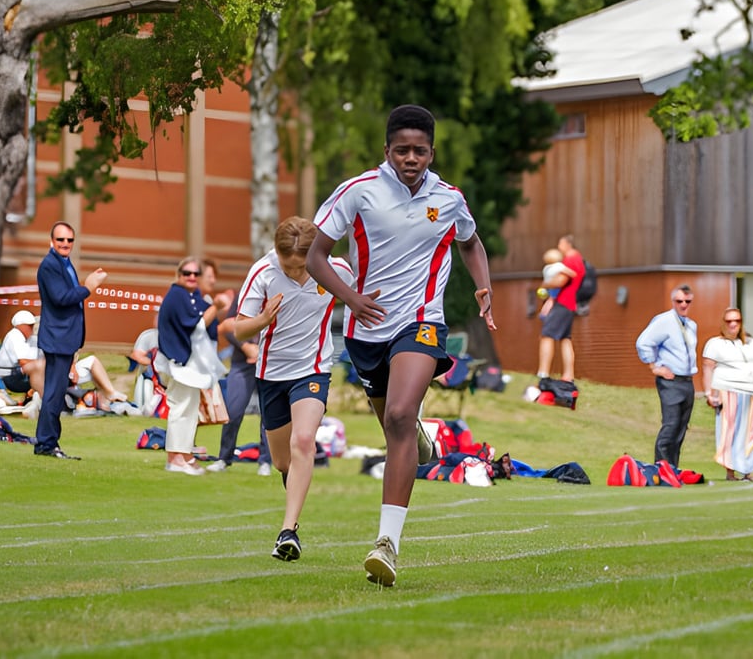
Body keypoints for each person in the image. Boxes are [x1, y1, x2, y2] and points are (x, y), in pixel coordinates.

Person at [306, 104, 496, 586]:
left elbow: (470, 242)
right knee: (396, 423)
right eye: (402, 150)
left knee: (396, 416)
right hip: (366, 328)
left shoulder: (449, 199)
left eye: (420, 151)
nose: (411, 158)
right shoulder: (357, 192)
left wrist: (483, 286)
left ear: (432, 152)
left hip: (421, 320)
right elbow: (315, 256)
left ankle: (387, 544)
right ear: (386, 151)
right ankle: (420, 436)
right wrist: (351, 299)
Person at [235, 217, 355, 560]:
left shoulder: (335, 270)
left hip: (313, 369)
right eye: (288, 266)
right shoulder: (263, 273)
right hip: (271, 374)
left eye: (302, 266)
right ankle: (294, 489)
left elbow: (362, 292)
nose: (296, 272)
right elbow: (240, 330)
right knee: (282, 462)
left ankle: (288, 531)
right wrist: (262, 320)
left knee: (303, 440)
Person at [34, 222, 107, 459]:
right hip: (57, 338)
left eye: (69, 240)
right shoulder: (49, 265)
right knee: (54, 394)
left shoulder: (64, 264)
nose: (65, 244)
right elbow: (61, 298)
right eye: (60, 240)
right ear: (51, 241)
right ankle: (46, 444)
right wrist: (88, 288)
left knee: (56, 392)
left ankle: (48, 442)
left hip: (65, 338)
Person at [154, 257, 230, 475]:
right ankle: (174, 456)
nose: (191, 277)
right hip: (177, 361)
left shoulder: (192, 296)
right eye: (187, 273)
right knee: (181, 407)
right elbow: (196, 326)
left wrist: (217, 308)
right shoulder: (177, 296)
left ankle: (184, 453)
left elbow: (206, 317)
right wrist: (216, 306)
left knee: (189, 408)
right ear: (179, 275)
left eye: (195, 274)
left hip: (187, 364)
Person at [206, 291, 273, 477]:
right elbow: (228, 328)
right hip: (242, 364)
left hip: (270, 362)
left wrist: (263, 350)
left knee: (268, 414)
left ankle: (265, 461)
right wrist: (246, 348)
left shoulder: (283, 293)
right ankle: (223, 458)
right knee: (233, 411)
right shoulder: (247, 292)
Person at [701, 308, 753, 481]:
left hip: (751, 394)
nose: (733, 324)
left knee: (751, 431)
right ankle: (730, 472)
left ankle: (748, 470)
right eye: (729, 321)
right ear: (723, 323)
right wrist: (710, 393)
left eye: (737, 321)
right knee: (729, 432)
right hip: (728, 392)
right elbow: (707, 368)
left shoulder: (751, 343)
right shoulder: (715, 343)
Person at [635, 285, 698, 467]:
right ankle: (661, 467)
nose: (683, 305)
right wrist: (654, 366)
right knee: (670, 424)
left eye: (687, 301)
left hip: (687, 380)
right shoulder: (665, 321)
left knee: (681, 427)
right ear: (673, 302)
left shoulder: (691, 325)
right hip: (670, 381)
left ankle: (673, 468)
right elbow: (643, 342)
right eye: (679, 301)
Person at [536, 235, 585, 381]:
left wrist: (544, 284)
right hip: (569, 304)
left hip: (563, 303)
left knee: (547, 335)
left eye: (560, 244)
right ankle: (568, 375)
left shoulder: (571, 260)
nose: (559, 247)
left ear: (567, 244)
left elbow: (561, 281)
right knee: (565, 338)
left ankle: (543, 372)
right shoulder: (578, 260)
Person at [0, 310, 45, 396]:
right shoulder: (14, 336)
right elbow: (23, 361)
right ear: (20, 326)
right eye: (30, 326)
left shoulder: (28, 338)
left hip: (19, 374)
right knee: (41, 366)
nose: (32, 328)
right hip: (10, 377)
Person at [537, 247, 576, 320]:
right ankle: (544, 314)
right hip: (555, 288)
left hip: (546, 287)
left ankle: (549, 313)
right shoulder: (559, 266)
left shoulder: (546, 267)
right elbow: (571, 273)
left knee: (548, 300)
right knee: (551, 301)